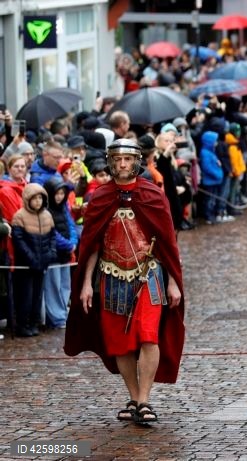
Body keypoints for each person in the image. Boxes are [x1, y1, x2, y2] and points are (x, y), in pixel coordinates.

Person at [64, 139, 184, 424]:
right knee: (120, 343)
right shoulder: (102, 197)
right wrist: (84, 284)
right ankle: (133, 397)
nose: (121, 165)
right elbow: (91, 244)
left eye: (127, 160)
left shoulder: (153, 195)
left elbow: (167, 243)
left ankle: (145, 400)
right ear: (110, 161)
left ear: (136, 162)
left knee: (148, 336)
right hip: (111, 276)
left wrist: (173, 282)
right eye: (116, 159)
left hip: (149, 275)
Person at [11, 183, 58, 337]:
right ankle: (22, 324)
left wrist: (50, 255)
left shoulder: (47, 215)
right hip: (26, 265)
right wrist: (31, 259)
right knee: (25, 296)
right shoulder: (20, 216)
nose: (38, 201)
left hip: (42, 263)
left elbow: (52, 238)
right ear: (27, 199)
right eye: (34, 198)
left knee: (37, 296)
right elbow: (19, 241)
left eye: (40, 198)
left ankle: (33, 323)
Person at [43, 177, 78, 329]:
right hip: (54, 255)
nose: (60, 196)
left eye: (62, 193)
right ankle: (56, 318)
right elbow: (52, 233)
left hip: (65, 254)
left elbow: (71, 226)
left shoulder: (64, 208)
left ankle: (62, 314)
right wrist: (68, 244)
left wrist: (73, 242)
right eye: (57, 193)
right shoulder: (46, 210)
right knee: (53, 287)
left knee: (65, 286)